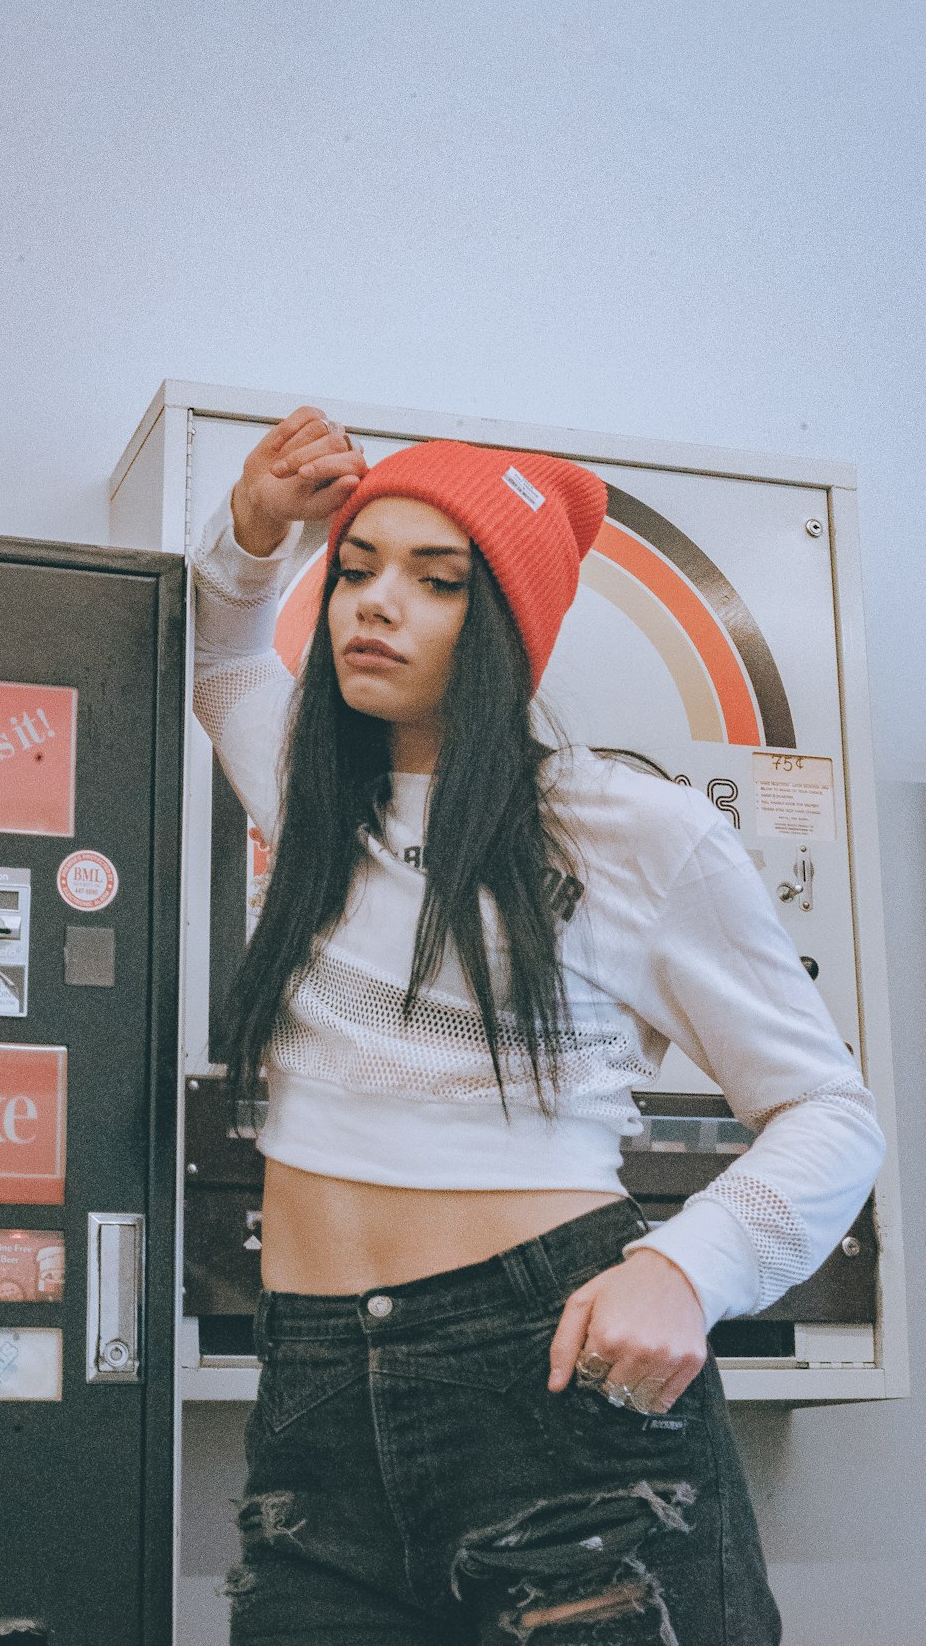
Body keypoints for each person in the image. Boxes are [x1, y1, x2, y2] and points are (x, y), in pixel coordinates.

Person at [191, 404, 884, 1646]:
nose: (372, 604)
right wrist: (252, 536)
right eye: (354, 569)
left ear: (507, 625)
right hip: (309, 1387)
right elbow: (225, 657)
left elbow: (829, 1112)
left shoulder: (626, 828)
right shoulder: (307, 792)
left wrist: (687, 1266)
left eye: (435, 580)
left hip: (547, 1372)